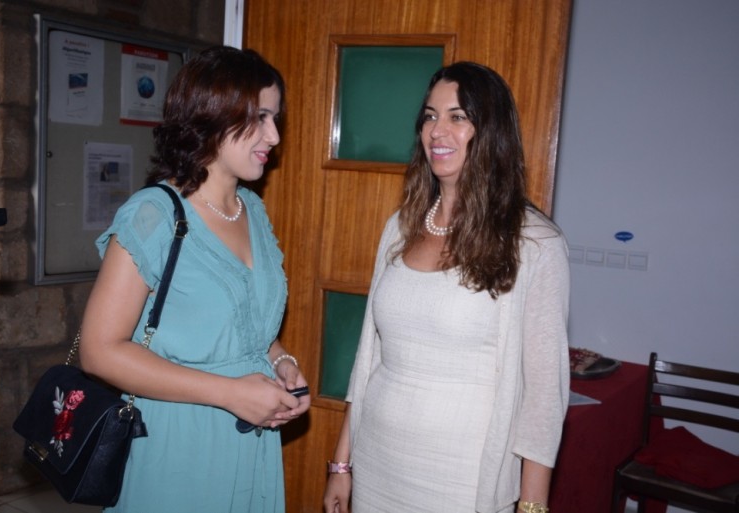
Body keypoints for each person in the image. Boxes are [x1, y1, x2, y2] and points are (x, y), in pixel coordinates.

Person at [323, 62, 570, 513]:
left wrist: (532, 507)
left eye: (458, 117)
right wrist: (342, 465)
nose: (438, 131)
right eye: (430, 117)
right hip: (378, 464)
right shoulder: (399, 228)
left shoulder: (535, 244)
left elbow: (543, 397)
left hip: (463, 479)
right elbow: (368, 359)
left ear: (490, 131)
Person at [79, 46, 310, 513]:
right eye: (259, 118)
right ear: (212, 116)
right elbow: (98, 351)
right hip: (178, 444)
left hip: (251, 442)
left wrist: (281, 360)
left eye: (275, 119)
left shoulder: (253, 211)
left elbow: (245, 324)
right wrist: (230, 393)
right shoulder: (153, 215)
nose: (273, 136)